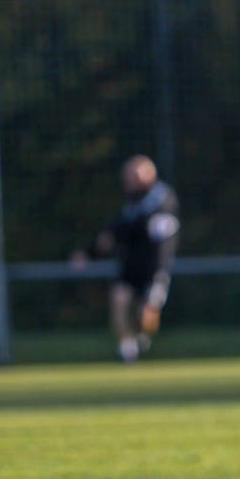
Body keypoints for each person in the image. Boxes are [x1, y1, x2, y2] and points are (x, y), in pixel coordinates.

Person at [72, 155, 180, 362]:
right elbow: (112, 234)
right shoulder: (131, 206)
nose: (128, 180)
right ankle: (127, 347)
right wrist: (88, 253)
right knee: (119, 300)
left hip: (154, 267)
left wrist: (128, 230)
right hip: (131, 265)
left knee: (146, 315)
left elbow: (154, 231)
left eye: (133, 175)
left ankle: (141, 336)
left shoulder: (161, 198)